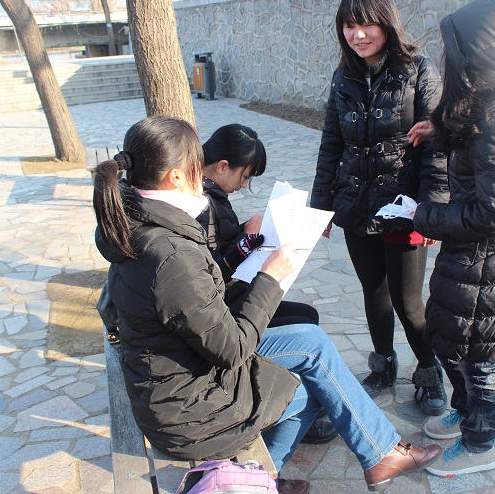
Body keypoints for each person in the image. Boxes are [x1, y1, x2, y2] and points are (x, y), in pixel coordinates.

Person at [92, 115, 442, 494]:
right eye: (196, 165)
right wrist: (270, 279)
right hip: (187, 410)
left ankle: (272, 476)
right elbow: (232, 350)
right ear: (175, 176)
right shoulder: (168, 250)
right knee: (311, 364)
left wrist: (245, 255)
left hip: (174, 383)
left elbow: (190, 299)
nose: (202, 173)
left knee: (310, 360)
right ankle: (337, 463)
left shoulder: (135, 221)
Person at [409, 0, 495, 477]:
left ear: (478, 56)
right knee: (453, 342)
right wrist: (439, 128)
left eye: (455, 52)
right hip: (473, 261)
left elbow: (493, 212)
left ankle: (480, 444)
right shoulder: (492, 105)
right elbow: (474, 146)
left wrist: (423, 215)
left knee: (481, 358)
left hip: (491, 267)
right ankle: (465, 414)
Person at [310, 0, 449, 415]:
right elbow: (331, 144)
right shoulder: (343, 77)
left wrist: (431, 211)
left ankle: (429, 372)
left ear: (386, 22)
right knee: (374, 293)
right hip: (355, 205)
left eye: (367, 23)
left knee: (409, 303)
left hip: (404, 210)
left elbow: (436, 146)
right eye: (349, 25)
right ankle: (383, 366)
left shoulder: (419, 70)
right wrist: (321, 207)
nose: (358, 34)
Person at [197, 123, 335, 445]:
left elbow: (218, 248)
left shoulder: (211, 195)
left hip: (233, 301)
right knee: (306, 327)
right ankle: (300, 409)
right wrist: (246, 243)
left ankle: (301, 407)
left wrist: (248, 230)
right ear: (222, 166)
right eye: (244, 176)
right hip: (227, 317)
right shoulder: (202, 206)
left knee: (307, 316)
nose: (244, 185)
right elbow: (210, 273)